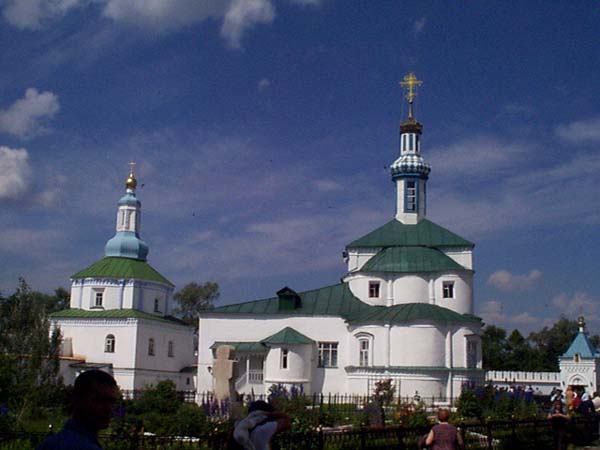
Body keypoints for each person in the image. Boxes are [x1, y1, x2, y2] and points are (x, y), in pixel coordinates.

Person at [38, 370, 118, 450]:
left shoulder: (49, 443)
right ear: (78, 400)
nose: (109, 409)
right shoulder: (83, 446)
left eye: (112, 402)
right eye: (99, 400)